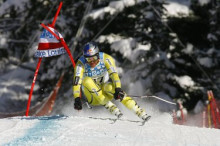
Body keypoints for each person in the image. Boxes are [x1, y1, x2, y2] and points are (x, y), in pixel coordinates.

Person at [73, 42, 150, 121]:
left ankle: (139, 112)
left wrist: (118, 89)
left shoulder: (106, 58)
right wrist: (77, 98)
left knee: (110, 87)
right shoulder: (81, 63)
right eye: (88, 59)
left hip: (104, 89)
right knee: (86, 80)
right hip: (92, 96)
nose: (91, 62)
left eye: (94, 58)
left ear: (98, 55)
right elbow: (76, 82)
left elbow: (114, 75)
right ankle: (113, 109)